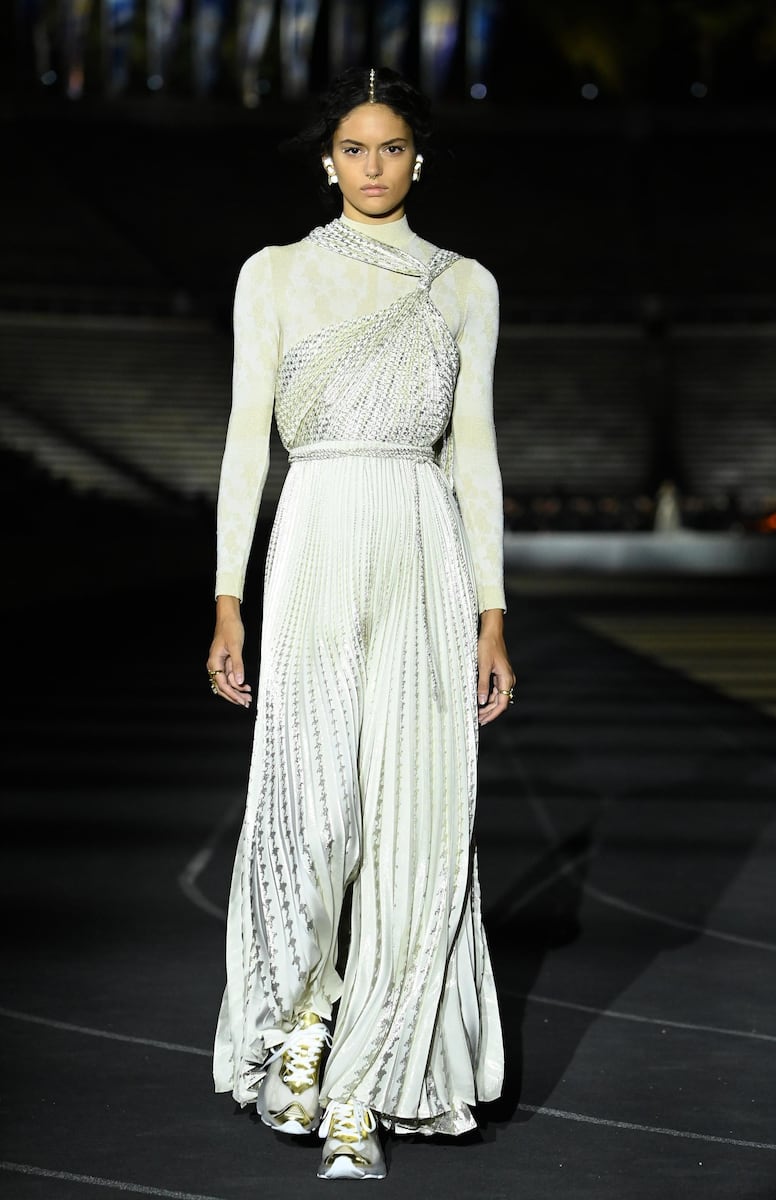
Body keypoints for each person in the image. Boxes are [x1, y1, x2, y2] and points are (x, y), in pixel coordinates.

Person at [205, 63, 515, 1182]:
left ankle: (370, 1085)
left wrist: (491, 610)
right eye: (353, 149)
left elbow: (471, 452)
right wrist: (226, 595)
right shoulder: (275, 274)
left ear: (416, 159)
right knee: (311, 806)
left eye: (391, 149)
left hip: (422, 544)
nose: (372, 167)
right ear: (327, 159)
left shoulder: (462, 284)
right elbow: (248, 440)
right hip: (317, 536)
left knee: (415, 813)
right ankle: (295, 1031)